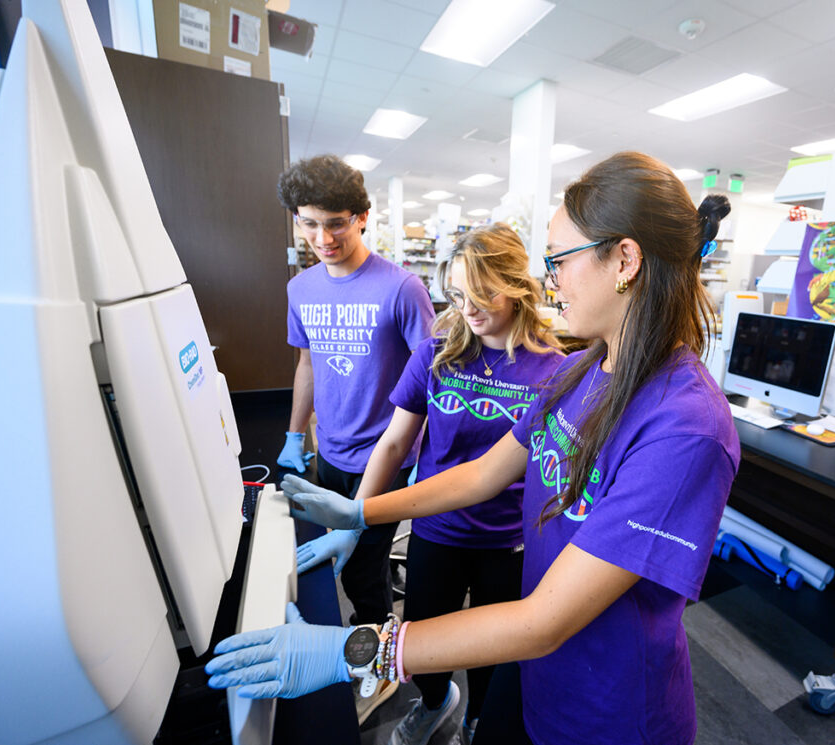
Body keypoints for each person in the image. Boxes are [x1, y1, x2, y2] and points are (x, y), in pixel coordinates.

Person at [208, 152, 740, 745]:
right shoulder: (583, 370)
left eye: (558, 260)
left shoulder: (685, 428)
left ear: (624, 260)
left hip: (607, 709)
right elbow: (485, 474)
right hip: (537, 671)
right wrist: (362, 512)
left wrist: (357, 649)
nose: (551, 279)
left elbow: (544, 621)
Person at [294, 222, 565, 744]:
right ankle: (440, 701)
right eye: (457, 295)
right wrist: (357, 516)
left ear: (516, 285)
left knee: (494, 656)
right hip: (436, 530)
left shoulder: (552, 373)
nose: (468, 309)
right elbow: (395, 443)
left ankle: (476, 719)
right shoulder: (439, 353)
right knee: (422, 638)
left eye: (482, 293)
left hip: (505, 542)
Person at [275, 154, 435, 712]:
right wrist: (296, 436)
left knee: (365, 575)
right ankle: (368, 647)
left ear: (362, 217)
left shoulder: (401, 288)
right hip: (331, 452)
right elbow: (307, 365)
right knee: (332, 565)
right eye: (308, 222)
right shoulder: (301, 289)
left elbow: (430, 374)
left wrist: (425, 453)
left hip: (385, 461)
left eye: (336, 222)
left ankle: (381, 669)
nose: (322, 236)